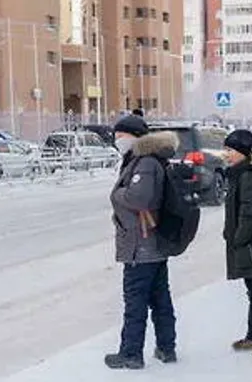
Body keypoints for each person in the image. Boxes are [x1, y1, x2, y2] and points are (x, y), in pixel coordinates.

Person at [105, 116, 179, 369]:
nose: (117, 140)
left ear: (134, 136)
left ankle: (131, 353)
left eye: (120, 135)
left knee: (135, 301)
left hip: (142, 242)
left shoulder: (145, 162)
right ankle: (166, 347)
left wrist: (117, 193)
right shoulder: (147, 159)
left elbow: (140, 199)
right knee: (160, 298)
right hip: (151, 241)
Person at [222, 130, 252, 356]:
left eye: (230, 150)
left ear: (243, 152)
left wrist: (238, 238)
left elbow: (250, 213)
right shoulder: (239, 173)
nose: (226, 154)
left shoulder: (250, 175)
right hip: (246, 244)